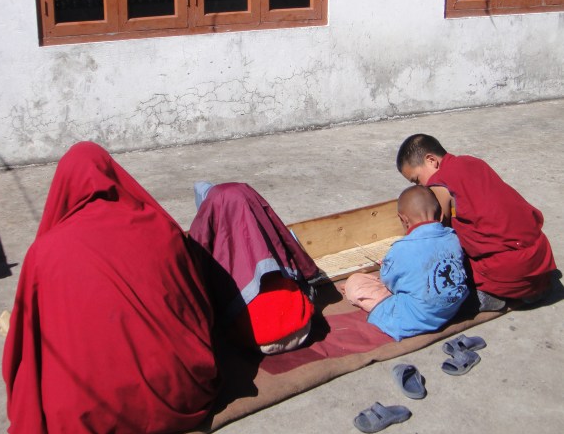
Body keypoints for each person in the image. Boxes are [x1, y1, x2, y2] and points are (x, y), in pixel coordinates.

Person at [2, 142, 220, 434]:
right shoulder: (160, 227)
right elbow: (198, 307)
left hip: (91, 421)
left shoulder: (44, 253)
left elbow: (23, 347)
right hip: (184, 395)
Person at [396, 134, 556, 306]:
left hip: (513, 272)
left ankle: (489, 297)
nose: (420, 187)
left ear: (431, 160)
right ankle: (531, 290)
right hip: (541, 258)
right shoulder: (473, 162)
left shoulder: (439, 183)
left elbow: (433, 235)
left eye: (417, 180)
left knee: (444, 273)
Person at [188, 182, 318, 355]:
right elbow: (302, 262)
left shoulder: (209, 227)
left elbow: (196, 272)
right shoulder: (263, 217)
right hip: (301, 327)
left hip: (257, 339)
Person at [344, 186, 468, 341]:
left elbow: (388, 281)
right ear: (442, 215)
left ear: (403, 219)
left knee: (355, 282)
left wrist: (387, 267)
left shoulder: (401, 248)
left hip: (416, 318)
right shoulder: (452, 238)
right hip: (452, 308)